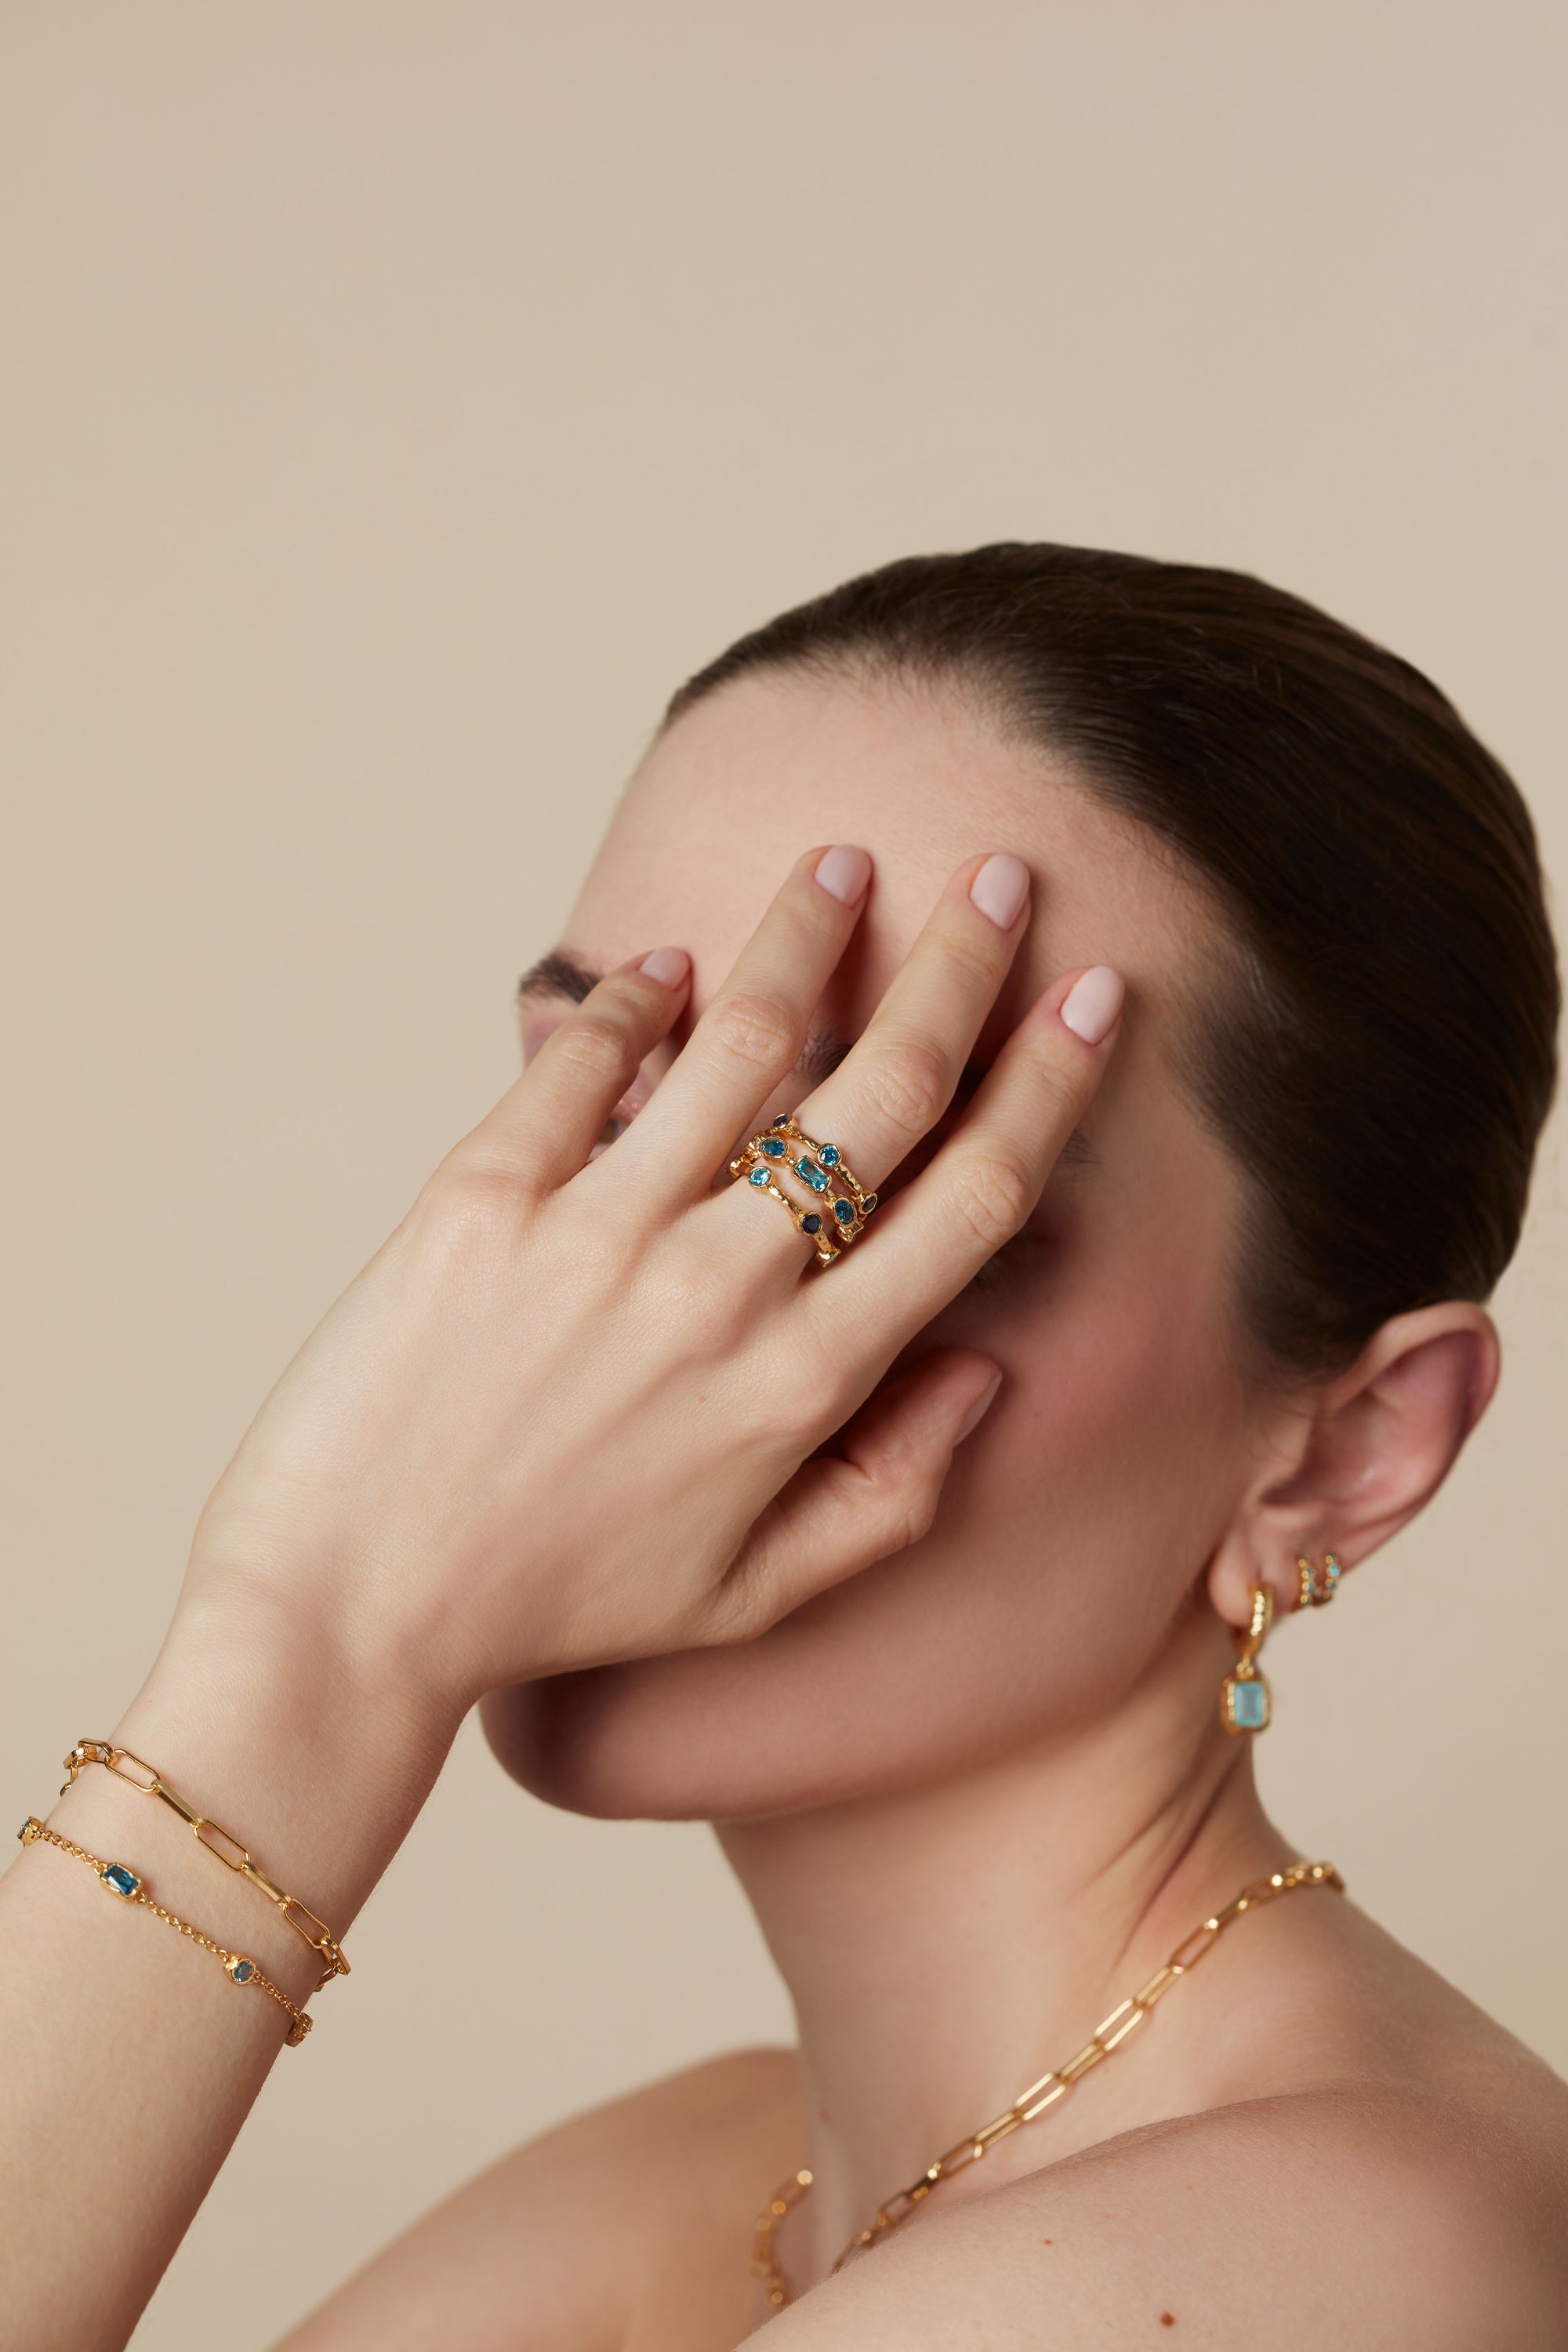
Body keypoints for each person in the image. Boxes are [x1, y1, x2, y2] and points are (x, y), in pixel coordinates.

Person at [3, 543, 1565, 2351]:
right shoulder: (692, 2179)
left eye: (865, 1183)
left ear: (1345, 1454)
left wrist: (316, 1635)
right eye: (603, 1100)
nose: (622, 1302)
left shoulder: (1311, 2261)